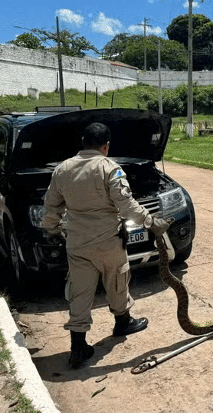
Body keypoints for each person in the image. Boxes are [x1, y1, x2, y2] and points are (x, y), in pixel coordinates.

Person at [42, 122, 170, 369]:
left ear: (83, 142)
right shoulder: (109, 168)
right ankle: (123, 322)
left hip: (77, 244)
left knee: (80, 293)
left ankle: (78, 347)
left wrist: (54, 230)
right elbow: (127, 206)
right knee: (117, 281)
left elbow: (51, 207)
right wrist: (152, 222)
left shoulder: (62, 169)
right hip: (108, 242)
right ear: (106, 146)